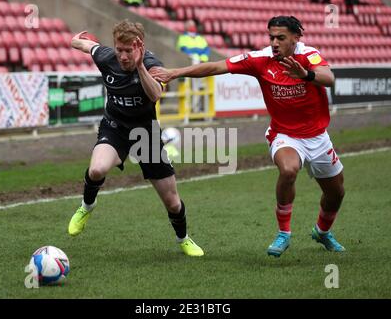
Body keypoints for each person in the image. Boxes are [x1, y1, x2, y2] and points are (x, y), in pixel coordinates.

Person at [151, 15, 346, 257]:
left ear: (296, 38)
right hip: (284, 135)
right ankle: (283, 233)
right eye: (271, 37)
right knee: (288, 170)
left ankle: (322, 232)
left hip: (317, 137)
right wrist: (175, 72)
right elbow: (216, 66)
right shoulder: (259, 59)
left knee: (336, 193)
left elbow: (329, 78)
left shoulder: (308, 55)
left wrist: (306, 75)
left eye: (281, 38)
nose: (274, 42)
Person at [68, 20, 204, 257]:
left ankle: (184, 239)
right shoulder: (107, 57)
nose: (122, 56)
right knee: (97, 170)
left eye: (128, 51)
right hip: (115, 128)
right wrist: (76, 40)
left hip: (146, 135)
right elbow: (86, 46)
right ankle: (86, 207)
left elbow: (156, 94)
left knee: (172, 201)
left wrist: (140, 66)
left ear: (139, 47)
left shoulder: (151, 65)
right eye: (119, 50)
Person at [176, 20, 211, 112]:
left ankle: (198, 109)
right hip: (189, 66)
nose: (192, 27)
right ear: (186, 27)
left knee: (200, 89)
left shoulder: (200, 38)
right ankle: (190, 110)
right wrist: (195, 56)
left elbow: (206, 50)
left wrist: (203, 58)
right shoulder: (183, 38)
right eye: (190, 25)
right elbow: (183, 49)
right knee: (190, 89)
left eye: (193, 25)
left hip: (201, 65)